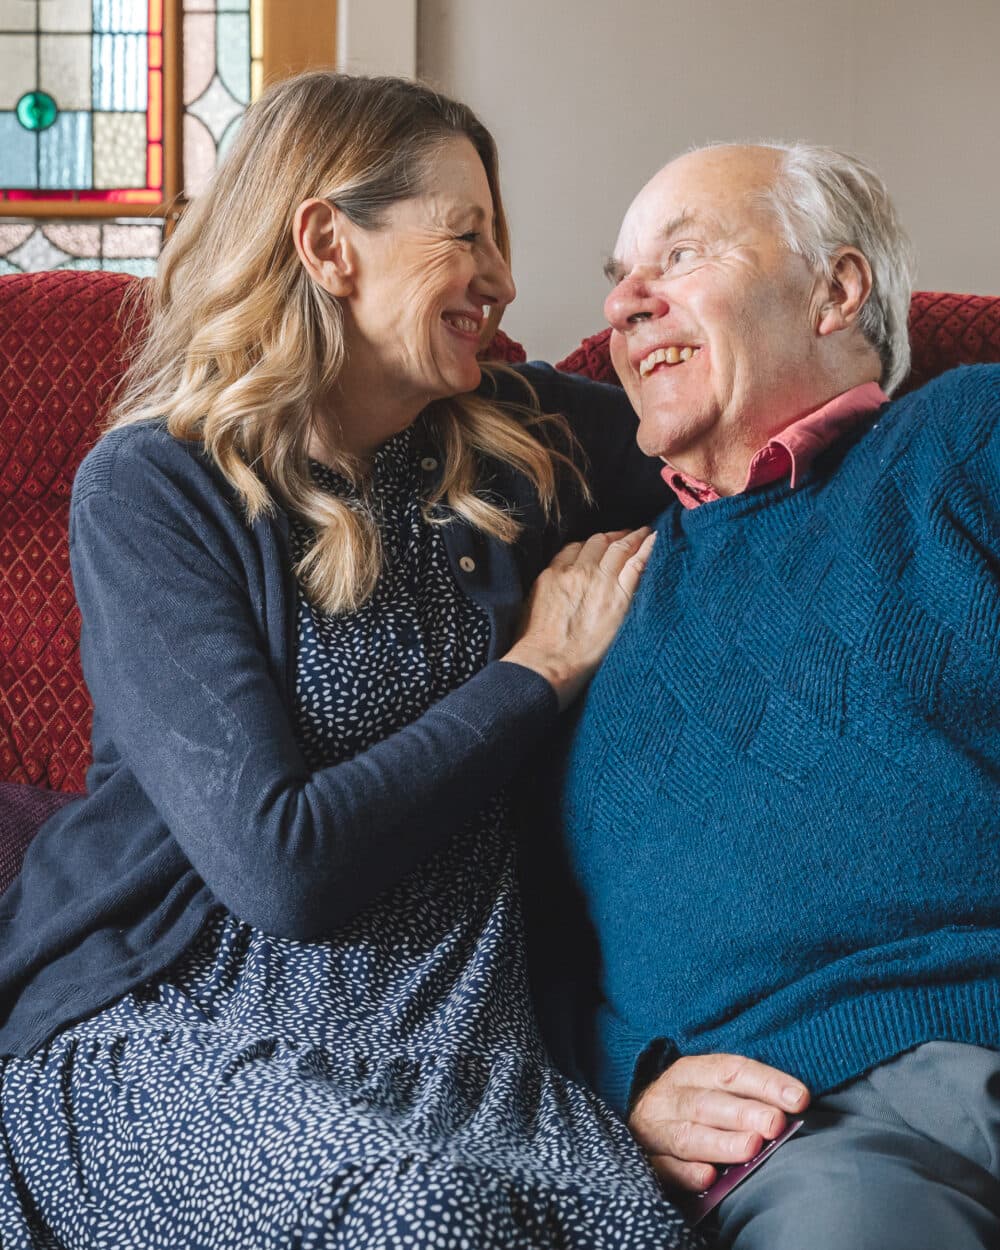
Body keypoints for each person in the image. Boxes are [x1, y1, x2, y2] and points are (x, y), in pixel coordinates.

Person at [0, 73, 702, 1249]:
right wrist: (535, 669)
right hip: (182, 1019)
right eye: (465, 233)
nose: (505, 279)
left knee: (625, 1227)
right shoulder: (157, 487)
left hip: (463, 1042)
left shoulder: (517, 440)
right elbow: (283, 867)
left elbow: (734, 441)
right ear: (328, 241)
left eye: (502, 238)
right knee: (419, 1209)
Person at [554, 141, 1000, 1250]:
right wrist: (628, 1080)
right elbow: (514, 926)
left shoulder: (966, 439)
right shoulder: (592, 597)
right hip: (820, 1128)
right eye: (619, 275)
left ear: (836, 291)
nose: (623, 301)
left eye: (681, 253)